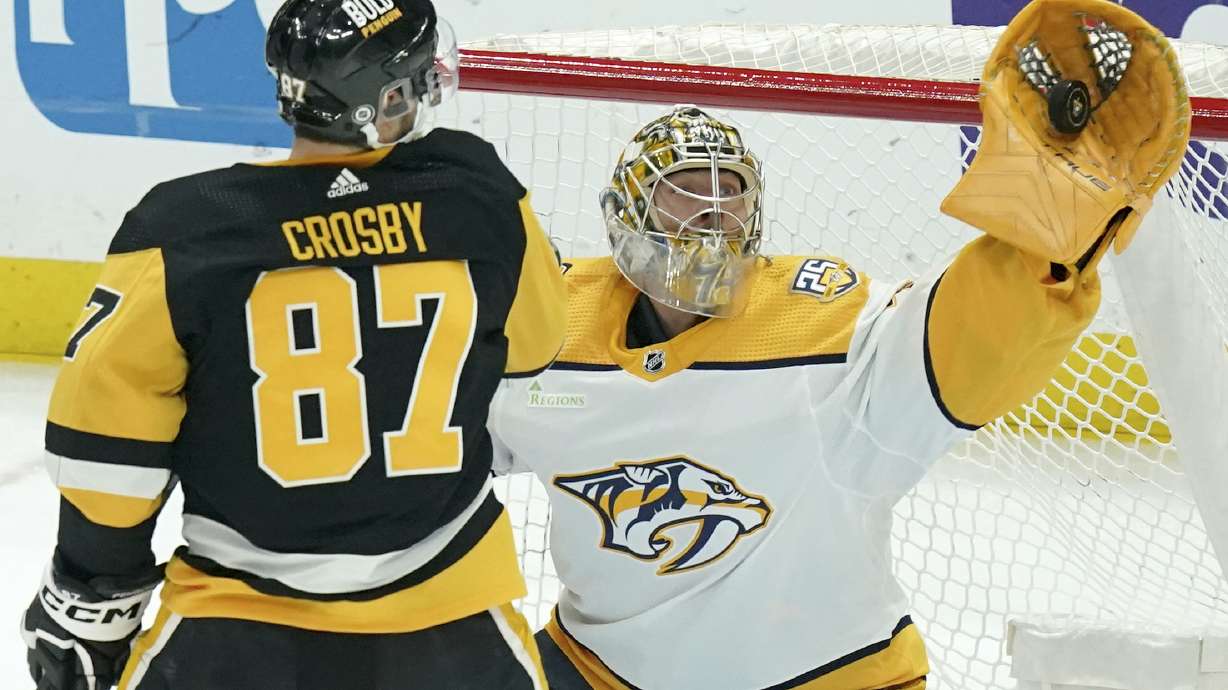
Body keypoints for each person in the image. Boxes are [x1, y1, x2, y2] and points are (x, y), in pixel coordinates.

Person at [486, 1, 1189, 687]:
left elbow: (954, 345)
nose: (712, 212)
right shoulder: (553, 322)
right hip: (598, 671)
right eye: (682, 189)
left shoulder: (822, 324)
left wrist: (1041, 238)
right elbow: (443, 432)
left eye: (728, 189)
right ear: (625, 215)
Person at [20, 1, 565, 688]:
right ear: (388, 97)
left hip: (236, 632)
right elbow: (536, 346)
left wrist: (90, 595)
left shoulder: (185, 229)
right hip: (455, 629)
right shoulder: (480, 191)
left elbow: (105, 452)